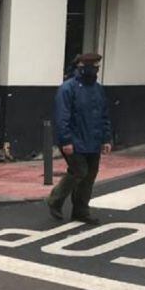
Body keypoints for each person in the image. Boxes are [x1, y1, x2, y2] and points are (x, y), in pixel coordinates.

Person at [47, 53, 112, 224]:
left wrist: (106, 139)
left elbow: (104, 115)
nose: (96, 69)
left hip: (93, 140)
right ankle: (55, 200)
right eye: (93, 66)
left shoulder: (98, 89)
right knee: (79, 171)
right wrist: (66, 140)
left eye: (97, 66)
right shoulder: (68, 88)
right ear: (81, 66)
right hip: (74, 141)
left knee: (90, 175)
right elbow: (62, 117)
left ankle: (81, 210)